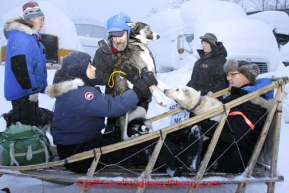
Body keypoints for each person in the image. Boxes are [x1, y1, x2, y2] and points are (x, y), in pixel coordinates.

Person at [46, 51, 159, 173]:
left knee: (129, 135)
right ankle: (170, 159)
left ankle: (162, 151)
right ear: (79, 72)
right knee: (135, 147)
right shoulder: (79, 95)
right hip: (77, 156)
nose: (94, 68)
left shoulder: (74, 89)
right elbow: (114, 107)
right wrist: (140, 87)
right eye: (89, 66)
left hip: (82, 146)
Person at [196, 59, 270, 173]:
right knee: (179, 140)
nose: (228, 78)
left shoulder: (251, 103)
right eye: (228, 75)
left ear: (245, 77)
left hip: (234, 157)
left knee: (178, 148)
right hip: (225, 150)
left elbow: (231, 133)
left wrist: (201, 124)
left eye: (232, 75)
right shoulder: (240, 98)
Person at [92, 12, 152, 132]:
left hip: (137, 103)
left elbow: (151, 79)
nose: (118, 39)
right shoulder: (103, 52)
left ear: (128, 32)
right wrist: (114, 72)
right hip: (113, 105)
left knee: (134, 141)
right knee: (112, 141)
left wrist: (143, 103)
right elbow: (96, 77)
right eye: (113, 36)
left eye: (121, 35)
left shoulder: (141, 50)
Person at [4, 2, 47, 126]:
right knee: (24, 131)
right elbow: (20, 66)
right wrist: (30, 89)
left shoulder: (30, 37)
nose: (43, 23)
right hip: (23, 93)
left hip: (28, 92)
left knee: (31, 128)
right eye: (41, 19)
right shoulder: (22, 37)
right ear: (31, 19)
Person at [186, 32, 228, 100]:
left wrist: (212, 92)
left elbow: (222, 80)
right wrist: (186, 90)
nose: (203, 45)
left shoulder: (219, 60)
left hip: (210, 101)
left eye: (206, 43)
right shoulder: (199, 61)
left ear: (212, 44)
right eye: (202, 43)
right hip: (196, 100)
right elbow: (194, 80)